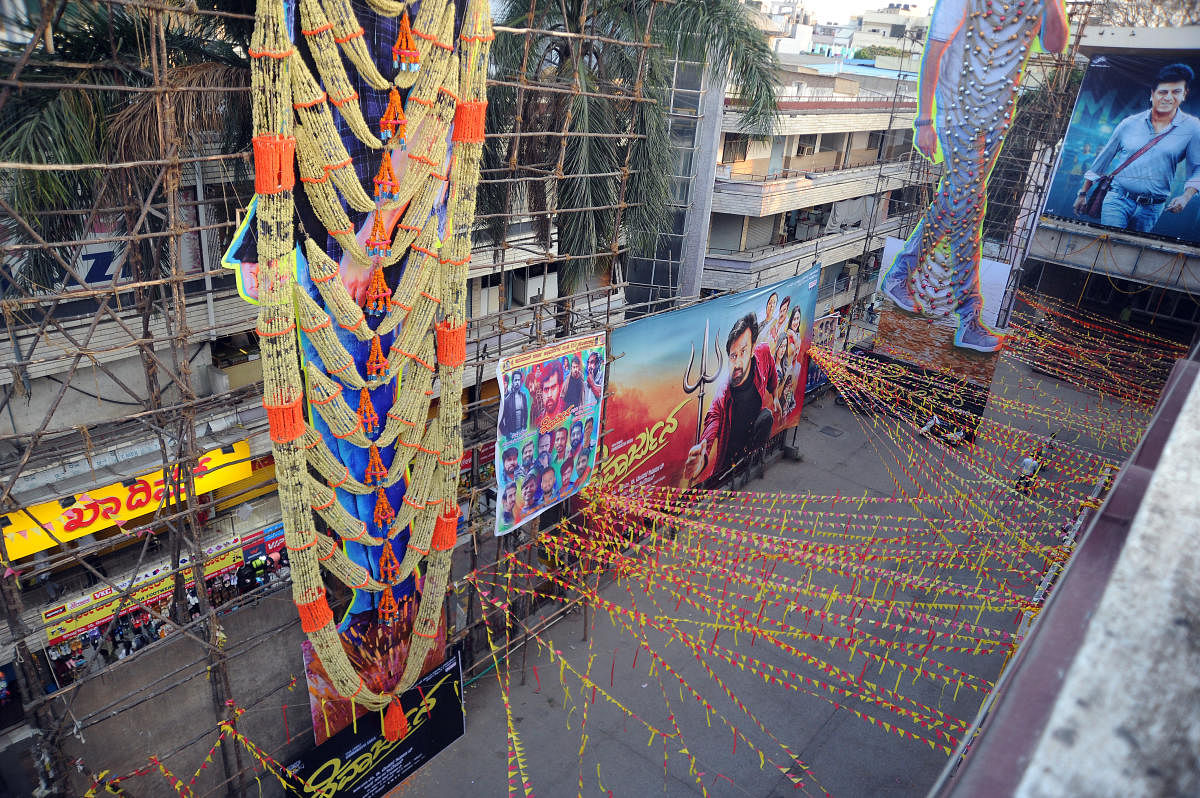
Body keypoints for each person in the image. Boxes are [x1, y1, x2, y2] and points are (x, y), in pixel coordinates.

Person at [881, 0, 1069, 353]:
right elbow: (934, 53)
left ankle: (897, 276)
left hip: (996, 119)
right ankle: (969, 319)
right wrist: (924, 120)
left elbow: (1056, 43)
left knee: (953, 203)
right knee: (971, 207)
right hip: (958, 112)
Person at [1073, 63, 1200, 233]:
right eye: (1163, 92)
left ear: (1185, 94)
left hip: (1152, 208)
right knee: (1107, 245)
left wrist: (1185, 197)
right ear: (1152, 94)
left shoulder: (1192, 128)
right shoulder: (1129, 123)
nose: (1168, 98)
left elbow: (1197, 168)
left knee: (1129, 253)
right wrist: (1082, 193)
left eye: (1176, 92)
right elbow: (1103, 160)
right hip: (1117, 198)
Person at [684, 313, 778, 485]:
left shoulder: (762, 353)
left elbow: (771, 371)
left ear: (752, 349)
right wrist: (703, 454)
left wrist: (776, 394)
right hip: (729, 456)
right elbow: (713, 418)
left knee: (766, 416)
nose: (738, 362)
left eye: (743, 352)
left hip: (752, 441)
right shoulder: (724, 392)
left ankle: (756, 461)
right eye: (733, 356)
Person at [499, 369, 530, 438]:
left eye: (518, 380)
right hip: (511, 434)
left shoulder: (523, 396)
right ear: (512, 382)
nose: (517, 382)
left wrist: (525, 428)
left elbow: (526, 413)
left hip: (522, 433)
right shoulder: (507, 399)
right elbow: (500, 419)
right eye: (515, 380)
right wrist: (506, 433)